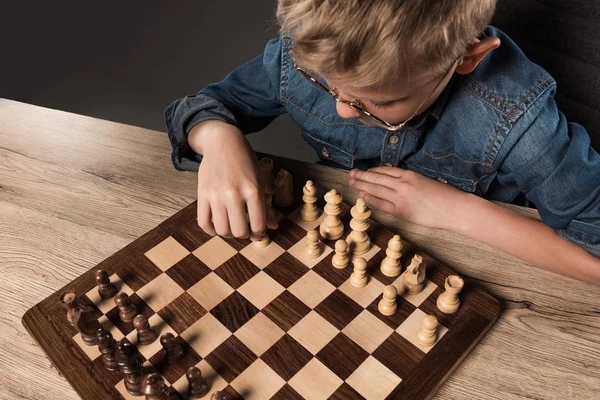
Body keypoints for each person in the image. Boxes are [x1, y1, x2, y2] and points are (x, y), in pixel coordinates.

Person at [164, 0, 600, 284]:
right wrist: (219, 139)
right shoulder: (304, 54)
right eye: (324, 84)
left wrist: (455, 210)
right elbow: (202, 105)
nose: (342, 110)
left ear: (468, 57)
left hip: (487, 270)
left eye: (380, 100)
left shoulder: (517, 121)